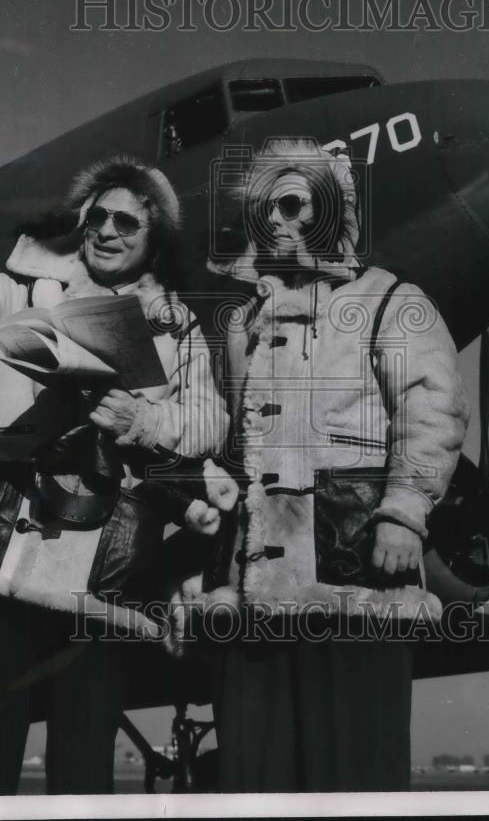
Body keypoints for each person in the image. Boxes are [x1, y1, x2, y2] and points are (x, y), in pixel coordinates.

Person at [0, 149, 227, 795]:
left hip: (101, 579)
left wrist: (141, 419)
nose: (106, 231)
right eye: (97, 217)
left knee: (83, 774)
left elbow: (210, 423)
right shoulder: (29, 290)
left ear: (153, 236)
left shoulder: (179, 330)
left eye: (125, 223)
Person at [174, 137, 470, 792]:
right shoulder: (241, 324)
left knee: (355, 768)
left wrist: (404, 510)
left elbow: (435, 406)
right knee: (255, 775)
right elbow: (233, 448)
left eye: (296, 204)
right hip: (249, 584)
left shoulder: (392, 299)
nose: (281, 222)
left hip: (355, 567)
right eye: (268, 211)